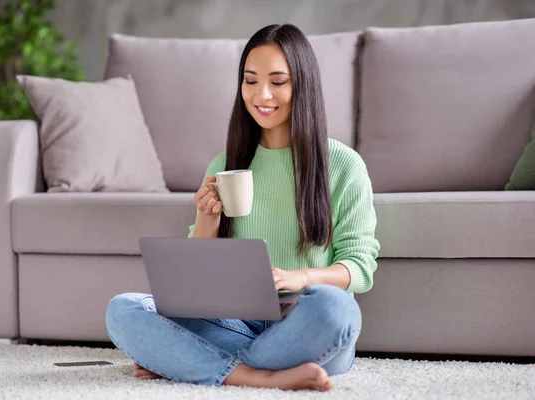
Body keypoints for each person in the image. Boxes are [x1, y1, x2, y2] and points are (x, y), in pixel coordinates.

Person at [105, 23, 380, 392]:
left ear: (303, 84)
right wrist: (207, 217)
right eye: (250, 80)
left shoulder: (343, 165)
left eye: (278, 81)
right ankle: (258, 377)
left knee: (337, 309)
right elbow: (195, 278)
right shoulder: (225, 165)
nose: (261, 94)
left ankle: (194, 363)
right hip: (235, 321)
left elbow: (360, 268)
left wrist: (301, 277)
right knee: (123, 309)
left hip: (304, 320)